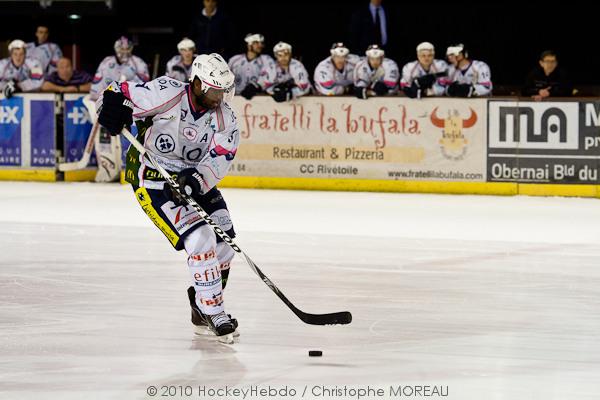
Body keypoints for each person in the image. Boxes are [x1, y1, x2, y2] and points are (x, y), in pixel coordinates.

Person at [95, 53, 239, 343]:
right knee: (200, 238)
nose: (219, 97)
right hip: (152, 177)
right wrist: (110, 107)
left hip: (193, 178)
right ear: (197, 83)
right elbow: (115, 92)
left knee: (226, 242)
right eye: (214, 90)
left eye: (223, 91)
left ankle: (200, 305)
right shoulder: (167, 93)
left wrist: (198, 181)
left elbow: (223, 154)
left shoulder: (225, 117)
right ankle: (214, 310)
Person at [90, 36, 149, 183]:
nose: (123, 52)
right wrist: (101, 101)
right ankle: (109, 168)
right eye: (120, 49)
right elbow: (96, 86)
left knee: (130, 137)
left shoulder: (138, 63)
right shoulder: (106, 63)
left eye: (126, 48)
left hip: (132, 106)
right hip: (111, 106)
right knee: (108, 138)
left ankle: (127, 169)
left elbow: (147, 88)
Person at [228, 33, 273, 100]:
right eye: (256, 43)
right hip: (235, 99)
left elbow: (271, 76)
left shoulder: (266, 60)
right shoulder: (234, 60)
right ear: (249, 45)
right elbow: (226, 77)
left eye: (261, 43)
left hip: (257, 99)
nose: (260, 45)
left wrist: (256, 86)